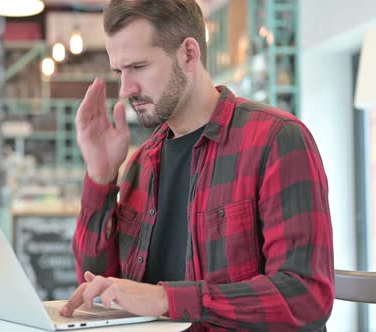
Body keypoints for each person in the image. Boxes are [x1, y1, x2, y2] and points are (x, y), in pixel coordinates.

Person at [58, 0, 334, 330]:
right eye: (120, 71)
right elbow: (101, 287)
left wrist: (166, 300)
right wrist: (101, 177)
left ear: (188, 54)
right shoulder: (140, 164)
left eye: (139, 67)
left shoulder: (276, 140)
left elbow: (305, 297)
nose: (125, 89)